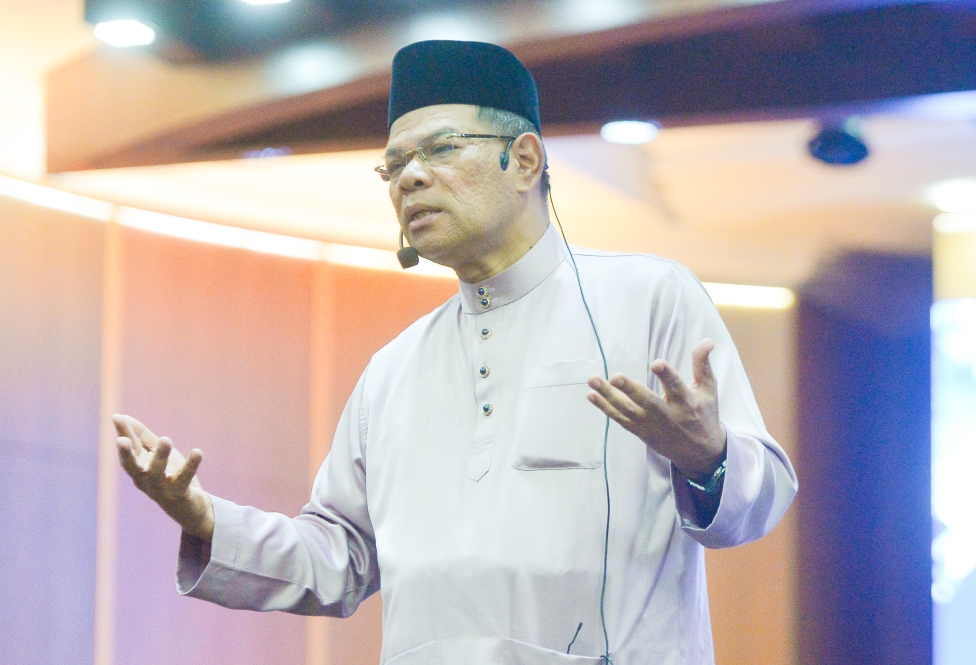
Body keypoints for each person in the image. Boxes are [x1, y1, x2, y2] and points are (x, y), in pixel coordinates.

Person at [113, 40, 797, 665]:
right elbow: (339, 555)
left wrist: (707, 456)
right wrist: (208, 520)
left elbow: (759, 499)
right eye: (394, 165)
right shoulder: (393, 370)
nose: (408, 179)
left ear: (524, 159)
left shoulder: (648, 295)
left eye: (439, 150)